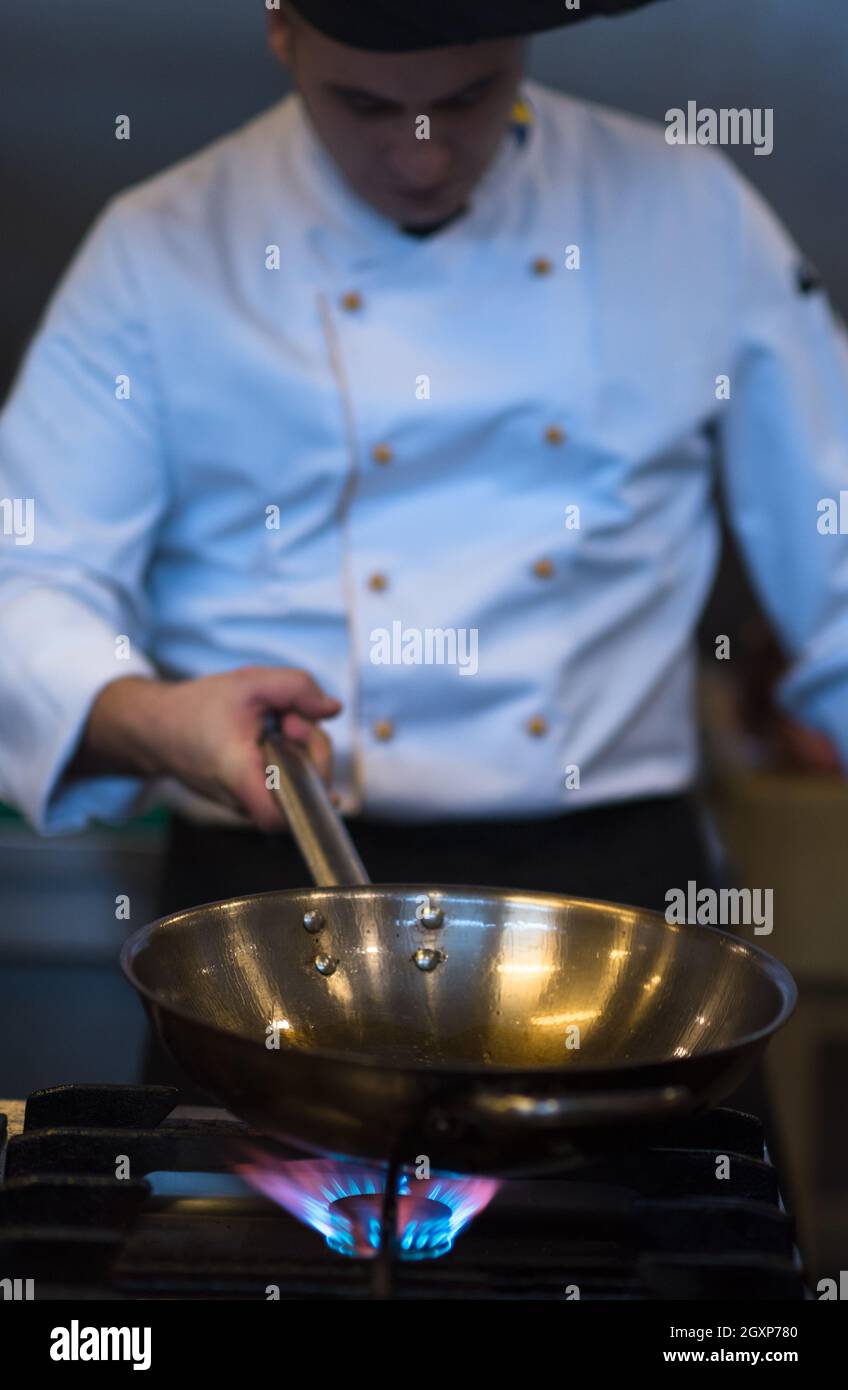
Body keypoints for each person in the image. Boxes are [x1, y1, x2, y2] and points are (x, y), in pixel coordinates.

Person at [0, 2, 846, 1108]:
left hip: (615, 922)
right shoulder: (162, 246)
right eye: (363, 104)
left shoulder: (688, 212)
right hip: (274, 903)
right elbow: (28, 580)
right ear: (281, 35)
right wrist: (159, 721)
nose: (420, 153)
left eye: (467, 98)